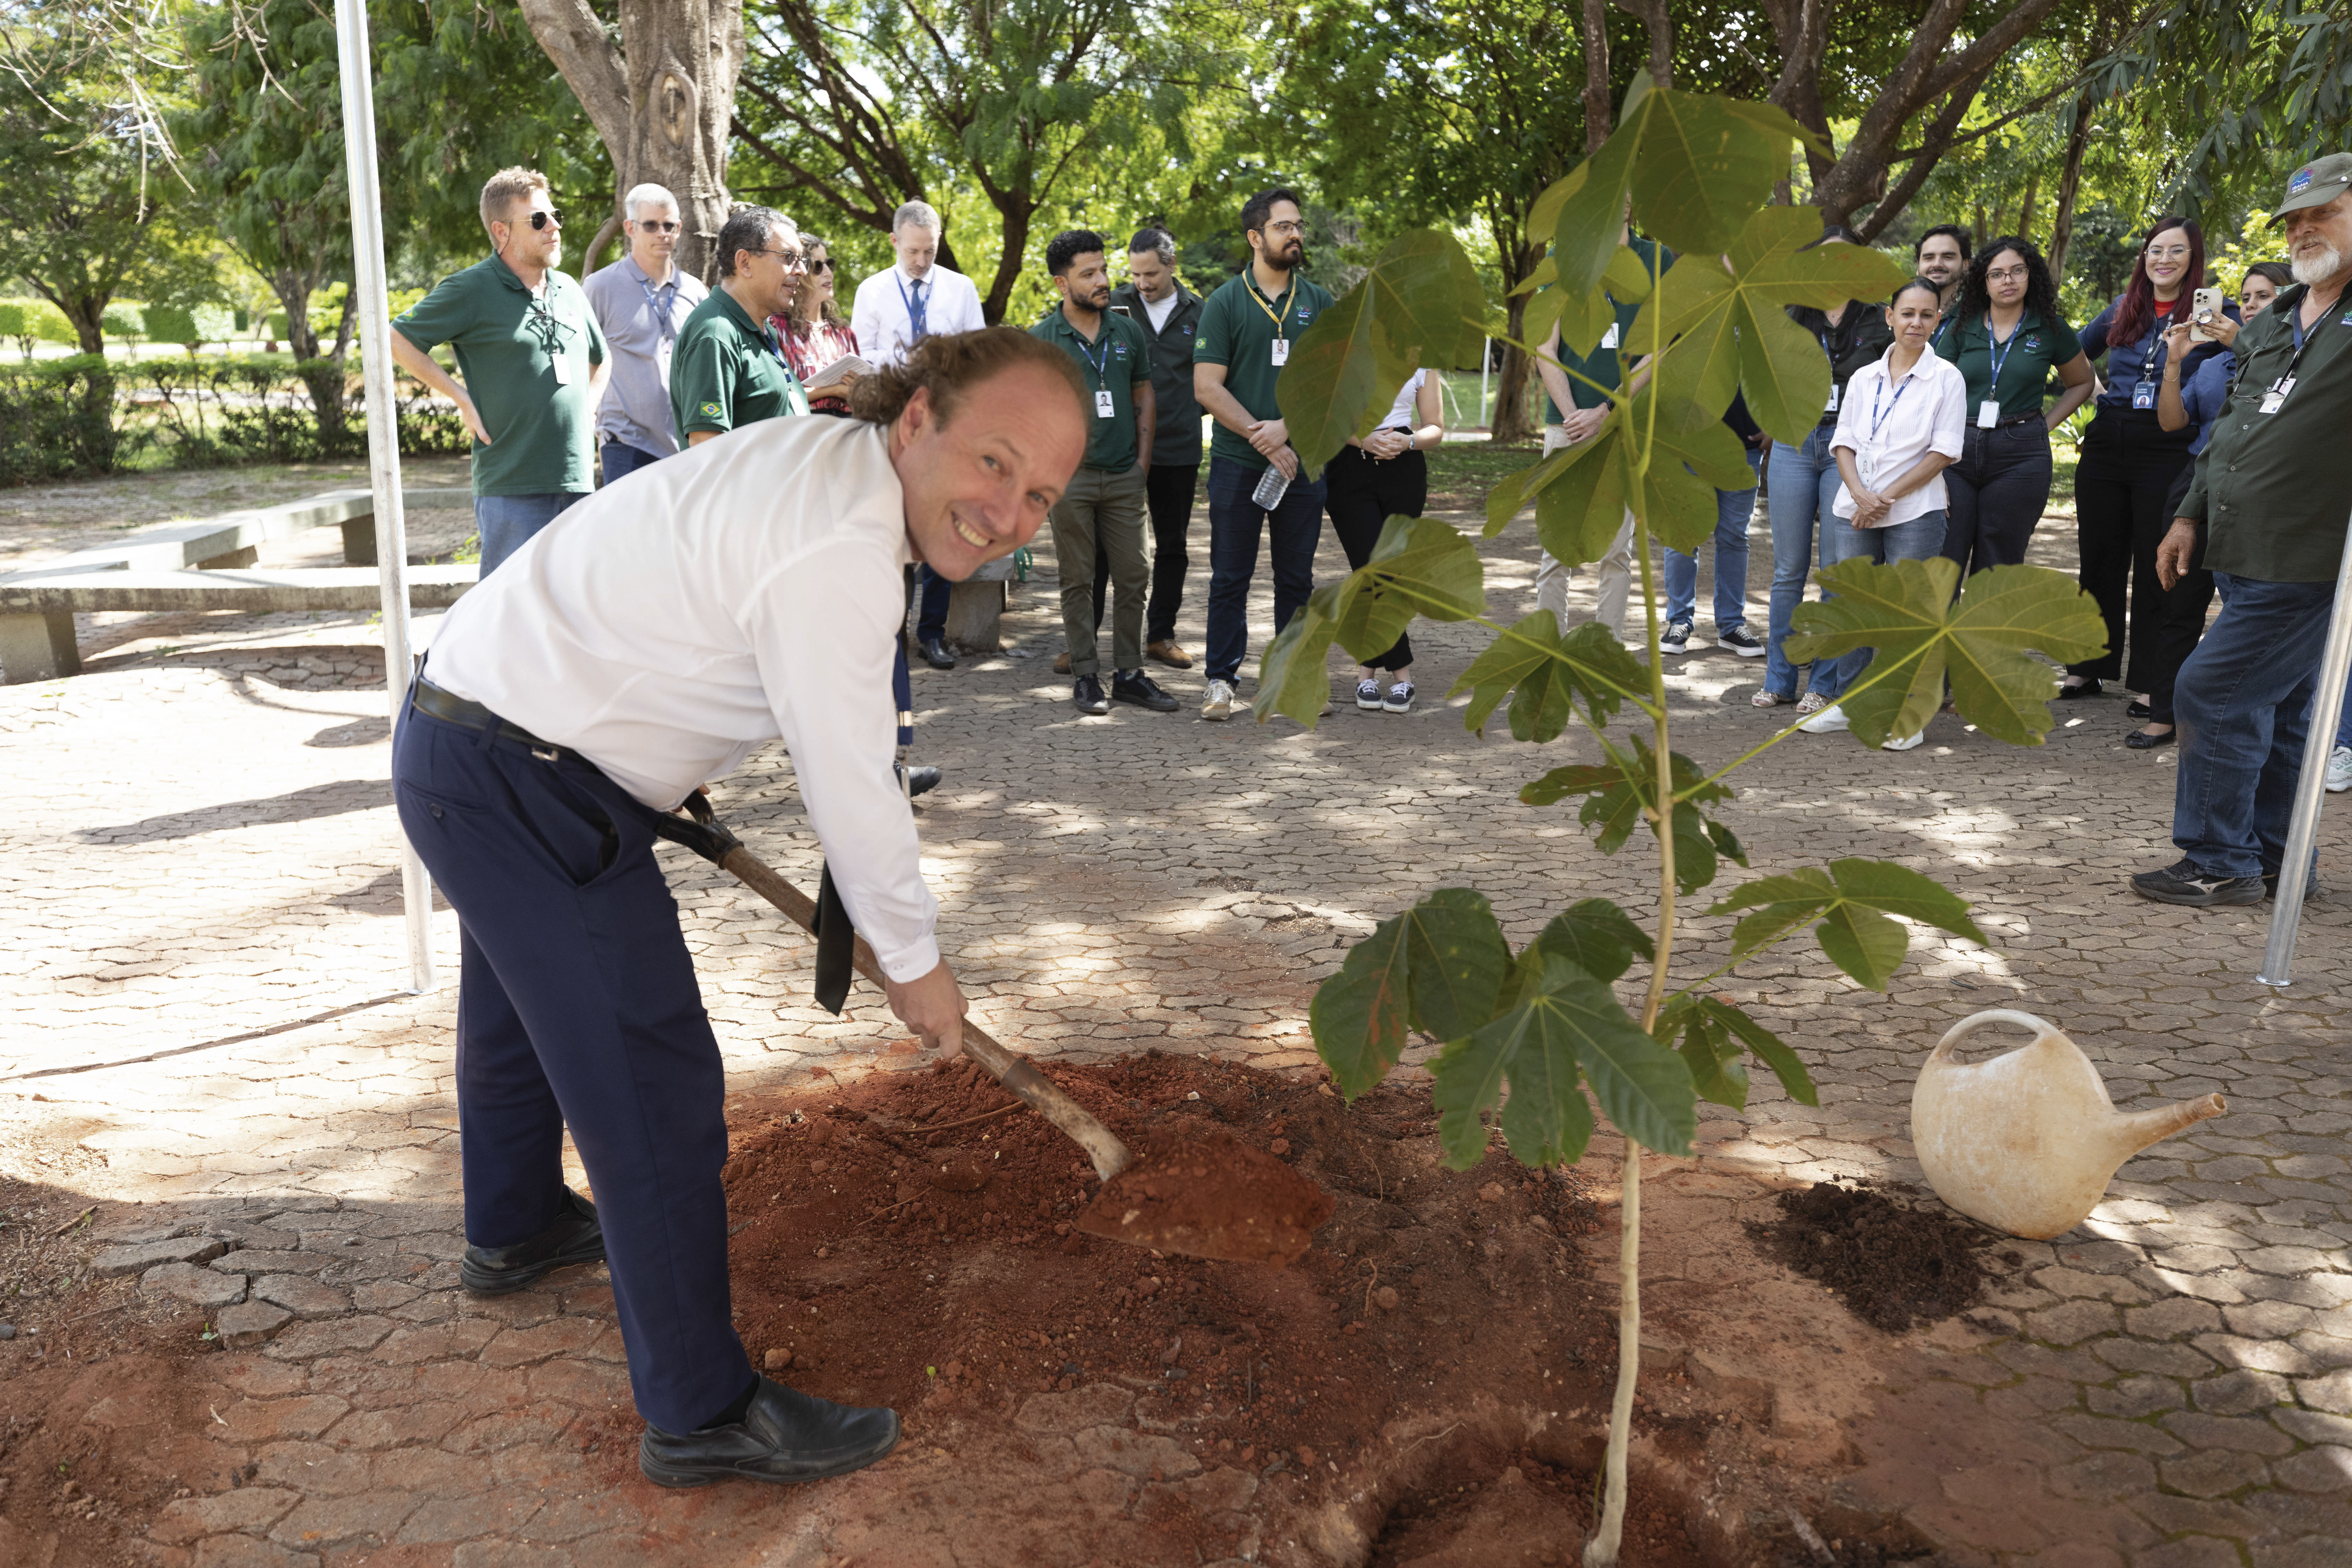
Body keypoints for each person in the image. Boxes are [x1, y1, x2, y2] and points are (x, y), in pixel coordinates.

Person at [392, 326, 1089, 1481]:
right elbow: (852, 782)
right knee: (654, 1088)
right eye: (995, 463)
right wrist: (914, 965)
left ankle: (513, 1230)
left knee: (514, 1012)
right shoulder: (841, 552)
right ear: (919, 422)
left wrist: (661, 743)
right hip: (520, 778)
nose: (1010, 511)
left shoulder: (833, 455)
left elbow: (689, 582)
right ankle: (699, 1413)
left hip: (480, 736)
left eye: (1042, 495)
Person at [2132, 155, 2352, 906]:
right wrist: (2190, 512)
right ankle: (2282, 862)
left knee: (2211, 686)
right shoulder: (2279, 316)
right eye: (2294, 220)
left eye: (2325, 212)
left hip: (2312, 557)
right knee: (2282, 711)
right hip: (2240, 544)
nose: (2305, 230)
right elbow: (2228, 426)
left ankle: (2220, 859)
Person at [390, 167, 609, 575]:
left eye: (554, 215)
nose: (555, 227)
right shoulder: (471, 289)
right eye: (539, 220)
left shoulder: (569, 289)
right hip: (512, 485)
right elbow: (397, 339)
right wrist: (460, 397)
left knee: (572, 613)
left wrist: (590, 407)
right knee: (507, 615)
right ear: (501, 230)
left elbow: (602, 357)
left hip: (577, 480)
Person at [2062, 218, 2237, 709]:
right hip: (2108, 439)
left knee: (2155, 561)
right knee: (2099, 555)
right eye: (2155, 250)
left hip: (2167, 442)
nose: (2163, 259)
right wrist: (2095, 393)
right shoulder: (2123, 308)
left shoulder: (2211, 315)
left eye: (2176, 251)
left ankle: (2148, 679)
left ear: (2192, 258)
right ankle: (2086, 667)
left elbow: (2250, 359)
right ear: (2144, 257)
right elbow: (2072, 352)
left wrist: (2225, 335)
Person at [1798, 277, 1966, 746]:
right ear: (1889, 318)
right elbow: (1844, 441)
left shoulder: (1946, 379)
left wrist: (1883, 498)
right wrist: (1859, 493)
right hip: (1855, 507)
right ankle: (1852, 704)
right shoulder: (1864, 377)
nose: (1916, 323)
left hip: (1914, 510)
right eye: (1907, 314)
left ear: (1937, 321)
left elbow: (1944, 453)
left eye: (1926, 315)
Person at [1192, 188, 1336, 721]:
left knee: (1297, 580)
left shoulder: (1319, 303)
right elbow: (1207, 387)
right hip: (1238, 466)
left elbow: (1334, 386)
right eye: (1283, 227)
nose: (1295, 234)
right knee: (1230, 577)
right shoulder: (1226, 302)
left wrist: (1288, 430)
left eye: (1298, 225)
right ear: (1256, 238)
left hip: (1303, 464)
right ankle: (1221, 683)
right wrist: (1265, 437)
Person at [2141, 262, 2291, 750]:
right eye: (2245, 298)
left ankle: (2254, 723)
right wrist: (2173, 363)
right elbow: (2172, 422)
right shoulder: (2211, 365)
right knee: (2179, 601)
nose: (2249, 306)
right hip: (2196, 483)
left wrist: (2241, 346)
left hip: (2261, 493)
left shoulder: (2297, 360)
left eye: (2264, 297)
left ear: (2291, 303)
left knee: (2247, 613)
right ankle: (2166, 715)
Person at [1030, 229, 1176, 715]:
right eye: (1088, 274)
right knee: (1078, 578)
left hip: (1123, 476)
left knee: (1135, 574)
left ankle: (1131, 674)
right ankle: (1087, 676)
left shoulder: (1127, 331)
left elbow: (1143, 394)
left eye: (1103, 270)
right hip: (1070, 481)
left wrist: (1142, 463)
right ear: (1061, 283)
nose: (1102, 281)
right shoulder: (1042, 341)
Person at [853, 203, 988, 671]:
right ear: (895, 242)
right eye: (912, 251)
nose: (921, 260)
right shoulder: (871, 291)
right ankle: (893, 635)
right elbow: (861, 353)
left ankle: (933, 634)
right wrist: (899, 363)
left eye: (929, 251)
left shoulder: (960, 288)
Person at [1760, 226, 1890, 710]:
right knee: (1788, 570)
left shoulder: (1880, 321)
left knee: (1837, 571)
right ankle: (1779, 678)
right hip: (1795, 443)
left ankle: (1824, 683)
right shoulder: (1791, 315)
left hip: (1849, 449)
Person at [1534, 218, 1672, 642]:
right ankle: (1549, 648)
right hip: (1567, 425)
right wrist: (1576, 414)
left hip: (1623, 423)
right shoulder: (1563, 259)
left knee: (1617, 550)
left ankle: (1605, 649)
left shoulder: (1656, 258)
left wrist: (1607, 410)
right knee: (1556, 549)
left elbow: (1661, 346)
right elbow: (1544, 346)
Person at [1933, 236, 2096, 577]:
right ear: (1984, 281)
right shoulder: (1963, 326)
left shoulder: (2049, 327)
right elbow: (1931, 389)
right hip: (1957, 451)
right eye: (1997, 274)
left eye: (2017, 271)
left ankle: (1986, 633)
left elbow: (2082, 382)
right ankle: (1939, 631)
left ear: (2031, 275)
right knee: (1943, 559)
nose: (2007, 280)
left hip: (2020, 456)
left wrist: (2044, 425)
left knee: (1999, 566)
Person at [1108, 226, 1207, 670]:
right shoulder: (1112, 306)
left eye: (1151, 274)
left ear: (1171, 265)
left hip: (1178, 449)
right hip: (1118, 449)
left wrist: (1188, 411)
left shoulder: (1202, 313)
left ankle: (1160, 636)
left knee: (1172, 545)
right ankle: (1085, 641)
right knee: (1103, 548)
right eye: (1135, 274)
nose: (1143, 284)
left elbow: (1214, 378)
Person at [1325, 368, 1444, 711]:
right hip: (1349, 468)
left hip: (1404, 470)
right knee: (1371, 570)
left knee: (1390, 574)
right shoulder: (1346, 349)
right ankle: (1403, 676)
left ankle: (1366, 674)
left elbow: (1435, 427)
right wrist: (1363, 439)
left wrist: (1408, 441)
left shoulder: (1423, 361)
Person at [583, 183, 707, 485]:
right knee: (627, 533)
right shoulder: (600, 287)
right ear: (630, 228)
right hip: (626, 443)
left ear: (679, 229)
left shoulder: (695, 292)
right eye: (651, 225)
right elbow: (583, 359)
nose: (662, 233)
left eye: (670, 226)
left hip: (685, 443)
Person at [670, 207, 810, 445]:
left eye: (801, 259)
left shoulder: (763, 330)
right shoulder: (716, 334)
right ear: (745, 262)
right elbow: (706, 446)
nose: (802, 270)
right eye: (788, 258)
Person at [1661, 391, 1766, 660]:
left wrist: (1776, 426)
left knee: (1734, 537)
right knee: (1683, 536)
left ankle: (1732, 625)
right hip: (1688, 446)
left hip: (1745, 448)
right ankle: (1679, 621)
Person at [776, 234, 864, 416]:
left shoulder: (844, 333)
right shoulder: (778, 328)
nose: (828, 273)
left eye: (829, 264)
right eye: (817, 267)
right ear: (798, 272)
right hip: (803, 433)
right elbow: (778, 394)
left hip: (846, 430)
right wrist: (833, 391)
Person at [1915, 225, 1972, 348]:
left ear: (1966, 265)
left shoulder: (1978, 315)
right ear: (1918, 266)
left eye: (1948, 257)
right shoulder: (1902, 316)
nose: (1937, 264)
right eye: (1929, 258)